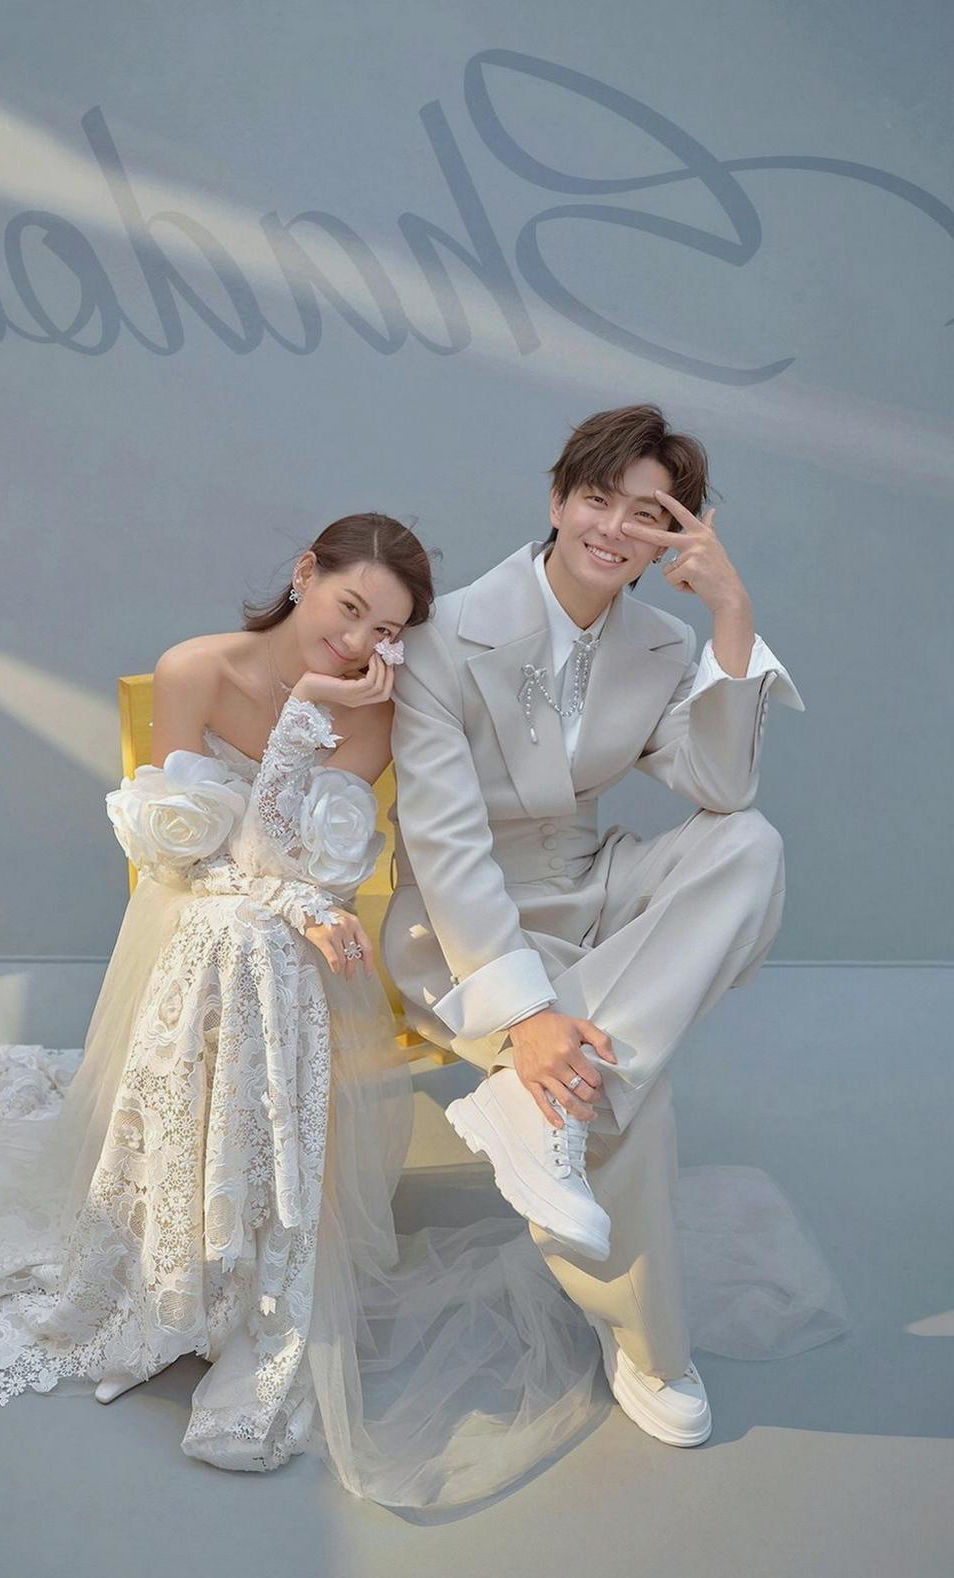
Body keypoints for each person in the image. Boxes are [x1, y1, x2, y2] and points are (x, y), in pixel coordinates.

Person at [0, 503, 848, 1512]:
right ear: (304, 575)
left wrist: (324, 755)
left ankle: (272, 1275)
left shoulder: (377, 712)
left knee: (280, 945)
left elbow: (315, 859)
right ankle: (189, 1266)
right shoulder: (196, 668)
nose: (357, 642)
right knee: (244, 933)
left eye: (384, 631)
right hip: (194, 917)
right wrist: (300, 737)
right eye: (348, 609)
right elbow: (180, 849)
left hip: (294, 934)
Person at [382, 403, 848, 1447]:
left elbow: (720, 788)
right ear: (557, 501)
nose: (613, 528)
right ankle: (649, 1343)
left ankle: (549, 1104)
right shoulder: (444, 635)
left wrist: (731, 614)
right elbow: (445, 846)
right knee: (629, 1107)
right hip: (463, 924)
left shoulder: (662, 642)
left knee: (749, 846)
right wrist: (527, 1018)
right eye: (596, 499)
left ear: (672, 536)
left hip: (591, 886)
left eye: (646, 514)